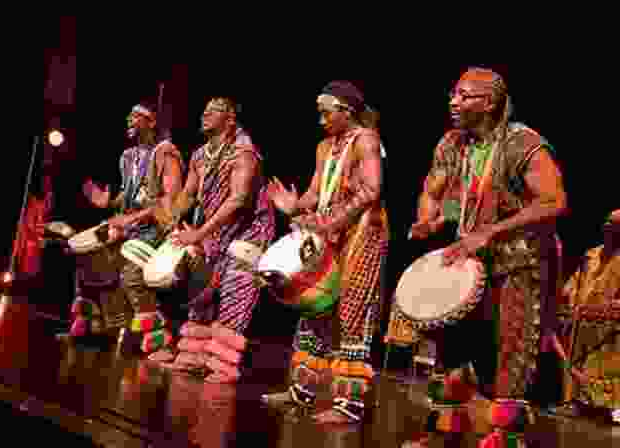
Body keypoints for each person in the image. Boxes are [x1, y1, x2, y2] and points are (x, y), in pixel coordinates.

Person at [399, 67, 568, 447]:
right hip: (471, 262)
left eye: (464, 95)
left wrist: (490, 231)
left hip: (519, 263)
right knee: (452, 349)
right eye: (453, 94)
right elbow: (433, 187)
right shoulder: (452, 143)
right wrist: (427, 218)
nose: (453, 101)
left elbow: (554, 202)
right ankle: (444, 433)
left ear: (489, 103)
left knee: (510, 353)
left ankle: (504, 439)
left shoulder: (522, 143)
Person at [262, 81, 389, 424]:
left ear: (346, 111)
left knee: (352, 312)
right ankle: (301, 391)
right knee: (314, 305)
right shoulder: (324, 147)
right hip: (330, 232)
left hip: (362, 235)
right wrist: (294, 206)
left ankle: (349, 405)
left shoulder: (365, 140)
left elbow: (371, 190)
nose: (320, 120)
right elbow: (315, 192)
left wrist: (333, 223)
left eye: (325, 113)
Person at [160, 97, 275, 383]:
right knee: (202, 289)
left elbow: (238, 200)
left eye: (213, 112)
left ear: (230, 119)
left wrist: (199, 233)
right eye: (204, 111)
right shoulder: (200, 155)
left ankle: (222, 366)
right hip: (214, 231)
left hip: (248, 232)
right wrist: (173, 219)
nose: (205, 115)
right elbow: (188, 194)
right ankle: (193, 357)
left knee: (236, 290)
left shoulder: (243, 153)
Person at [79, 100, 185, 358]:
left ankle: (160, 339)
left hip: (157, 226)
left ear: (151, 122)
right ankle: (108, 326)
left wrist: (132, 219)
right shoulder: (127, 157)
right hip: (132, 223)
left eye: (135, 116)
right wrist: (109, 202)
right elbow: (130, 196)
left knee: (131, 273)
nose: (128, 120)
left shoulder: (165, 153)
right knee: (92, 258)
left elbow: (172, 201)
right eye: (128, 116)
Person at [560, 209, 620, 423]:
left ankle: (609, 409)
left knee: (603, 370)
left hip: (609, 330)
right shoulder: (590, 255)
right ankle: (577, 403)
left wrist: (607, 308)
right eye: (607, 222)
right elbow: (573, 285)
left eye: (615, 224)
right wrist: (567, 301)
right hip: (581, 325)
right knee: (578, 366)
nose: (608, 227)